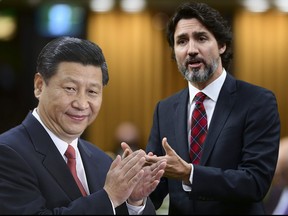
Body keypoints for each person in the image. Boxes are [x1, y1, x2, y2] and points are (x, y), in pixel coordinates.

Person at [140, 1, 280, 215]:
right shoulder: (165, 109)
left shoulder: (258, 101)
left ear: (222, 45)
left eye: (201, 38)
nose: (191, 50)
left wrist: (190, 173)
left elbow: (255, 182)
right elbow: (155, 191)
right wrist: (135, 189)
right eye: (182, 41)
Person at [0, 36, 166, 215]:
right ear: (39, 86)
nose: (82, 104)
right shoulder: (7, 153)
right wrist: (109, 197)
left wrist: (133, 202)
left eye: (92, 92)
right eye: (70, 88)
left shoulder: (102, 160)